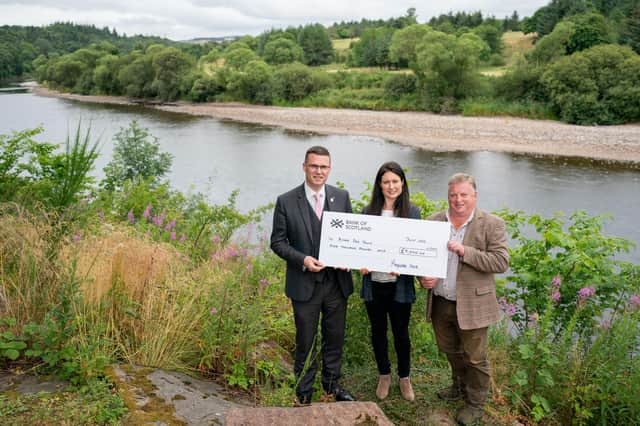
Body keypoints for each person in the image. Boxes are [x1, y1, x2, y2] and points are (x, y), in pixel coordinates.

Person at [419, 173, 509, 426]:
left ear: (474, 196)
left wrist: (465, 251)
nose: (458, 200)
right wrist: (423, 279)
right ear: (448, 196)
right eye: (453, 195)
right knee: (449, 350)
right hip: (440, 301)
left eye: (463, 195)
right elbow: (422, 260)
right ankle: (458, 386)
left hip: (474, 305)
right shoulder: (434, 221)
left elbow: (501, 262)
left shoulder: (492, 224)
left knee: (475, 358)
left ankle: (476, 404)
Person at [270, 145, 355, 405]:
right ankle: (303, 391)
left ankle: (332, 386)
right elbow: (278, 242)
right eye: (314, 166)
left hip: (336, 284)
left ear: (330, 169)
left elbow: (351, 237)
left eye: (324, 167)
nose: (319, 171)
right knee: (306, 339)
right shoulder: (286, 200)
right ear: (304, 167)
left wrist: (349, 259)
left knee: (334, 337)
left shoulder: (341, 196)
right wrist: (303, 260)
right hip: (304, 284)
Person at [359, 161, 421, 401]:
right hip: (374, 284)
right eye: (386, 182)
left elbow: (416, 249)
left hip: (399, 287)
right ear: (379, 184)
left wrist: (405, 266)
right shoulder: (368, 211)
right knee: (378, 332)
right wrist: (360, 264)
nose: (391, 186)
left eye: (395, 181)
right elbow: (360, 246)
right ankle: (384, 374)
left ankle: (404, 377)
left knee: (401, 333)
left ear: (402, 183)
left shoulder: (412, 212)